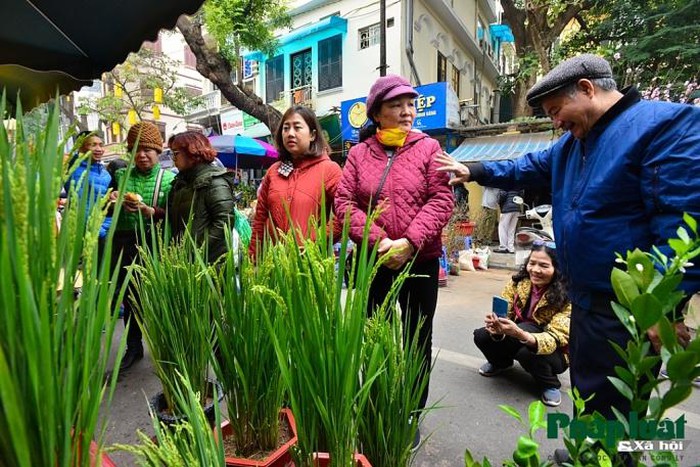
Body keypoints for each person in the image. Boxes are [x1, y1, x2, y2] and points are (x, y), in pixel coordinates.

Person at [436, 54, 699, 422]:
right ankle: (587, 449)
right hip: (584, 298)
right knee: (588, 389)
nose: (556, 122)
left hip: (630, 308)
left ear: (588, 89)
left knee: (622, 405)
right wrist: (474, 169)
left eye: (557, 110)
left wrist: (664, 308)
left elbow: (682, 223)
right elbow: (525, 166)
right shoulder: (571, 145)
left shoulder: (663, 126)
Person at [334, 74, 454, 446]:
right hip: (376, 259)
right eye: (395, 105)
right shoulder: (358, 153)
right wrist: (382, 241)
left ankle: (409, 412)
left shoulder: (429, 148)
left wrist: (408, 242)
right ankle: (375, 403)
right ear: (377, 113)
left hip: (419, 259)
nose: (405, 111)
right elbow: (343, 204)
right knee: (376, 334)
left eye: (409, 103)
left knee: (417, 338)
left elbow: (442, 200)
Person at [109, 122, 175, 370]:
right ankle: (134, 348)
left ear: (158, 151)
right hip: (125, 244)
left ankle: (166, 348)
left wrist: (152, 211)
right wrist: (112, 202)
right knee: (130, 299)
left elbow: (174, 215)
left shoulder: (168, 179)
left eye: (148, 149)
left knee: (158, 298)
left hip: (155, 245)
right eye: (137, 149)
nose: (142, 155)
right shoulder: (120, 177)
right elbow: (104, 209)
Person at [474, 241, 570, 407]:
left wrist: (519, 333)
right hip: (521, 335)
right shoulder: (520, 282)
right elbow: (507, 312)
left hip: (555, 352)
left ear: (558, 269)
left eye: (544, 265)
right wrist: (497, 326)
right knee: (483, 336)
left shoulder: (569, 296)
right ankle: (500, 363)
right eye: (532, 263)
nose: (535, 270)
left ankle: (550, 384)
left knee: (526, 352)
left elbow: (556, 338)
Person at [249, 105, 342, 258]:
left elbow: (344, 215)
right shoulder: (273, 172)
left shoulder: (329, 170)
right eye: (286, 128)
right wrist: (254, 260)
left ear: (312, 135)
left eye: (297, 127)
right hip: (275, 265)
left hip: (311, 265)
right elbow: (260, 219)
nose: (290, 133)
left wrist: (316, 241)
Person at [167, 131, 236, 263]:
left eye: (176, 153)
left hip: (211, 264)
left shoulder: (215, 182)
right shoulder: (180, 184)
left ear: (193, 153)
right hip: (185, 262)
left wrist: (197, 251)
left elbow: (224, 222)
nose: (173, 159)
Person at [65, 131, 112, 244]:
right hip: (88, 233)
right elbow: (81, 208)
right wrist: (101, 231)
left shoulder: (104, 172)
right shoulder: (75, 172)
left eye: (101, 145)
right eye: (93, 145)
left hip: (104, 228)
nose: (99, 149)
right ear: (80, 148)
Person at [495, 189, 523, 253]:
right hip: (517, 208)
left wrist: (499, 202)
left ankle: (503, 247)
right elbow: (521, 195)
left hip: (507, 209)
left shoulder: (505, 182)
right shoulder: (518, 183)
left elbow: (502, 195)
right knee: (512, 229)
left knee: (502, 228)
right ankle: (511, 248)